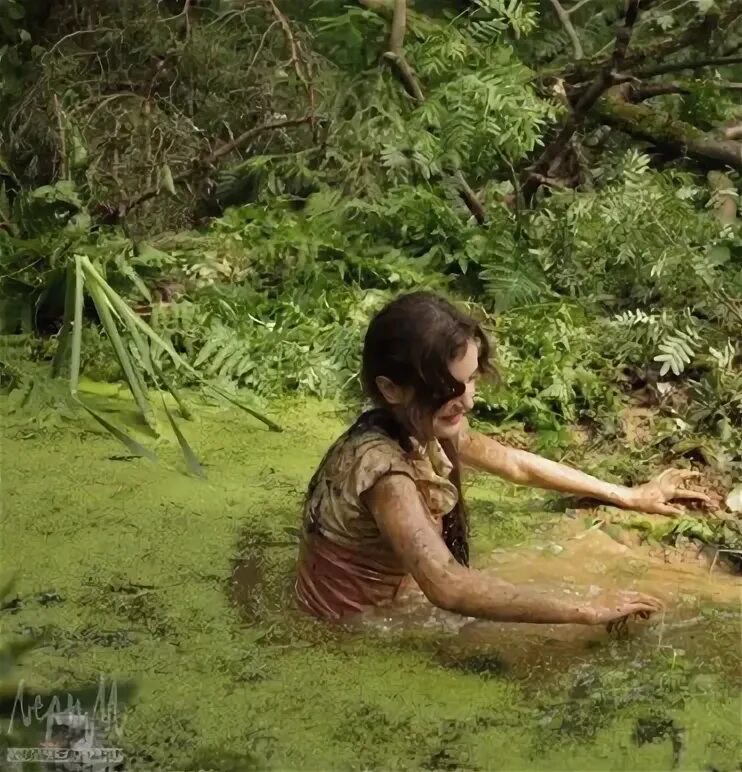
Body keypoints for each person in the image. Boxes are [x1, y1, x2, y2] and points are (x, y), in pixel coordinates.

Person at [294, 292, 710, 625]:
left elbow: (515, 464)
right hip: (358, 632)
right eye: (449, 387)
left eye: (471, 379)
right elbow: (447, 586)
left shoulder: (429, 426)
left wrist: (627, 495)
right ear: (392, 389)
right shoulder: (386, 476)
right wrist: (584, 608)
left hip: (405, 600)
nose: (468, 400)